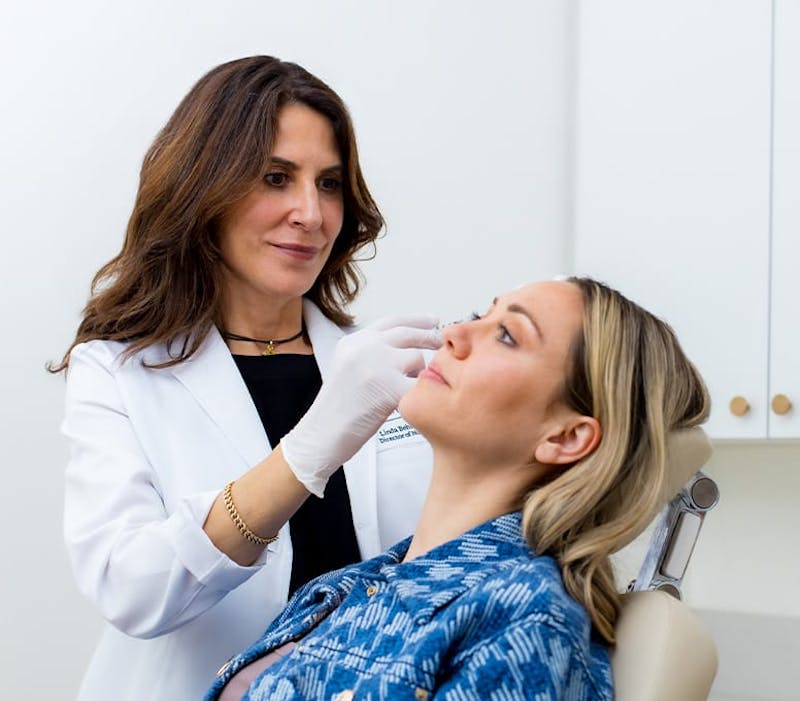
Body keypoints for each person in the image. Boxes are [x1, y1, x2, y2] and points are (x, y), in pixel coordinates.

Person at [51, 56, 440, 701]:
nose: (310, 213)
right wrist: (310, 451)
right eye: (276, 177)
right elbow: (130, 587)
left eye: (330, 183)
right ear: (206, 187)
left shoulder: (375, 365)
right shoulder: (119, 372)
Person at [205, 276, 710, 701]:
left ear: (566, 436)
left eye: (508, 335)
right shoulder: (346, 587)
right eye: (477, 315)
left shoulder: (526, 622)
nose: (455, 334)